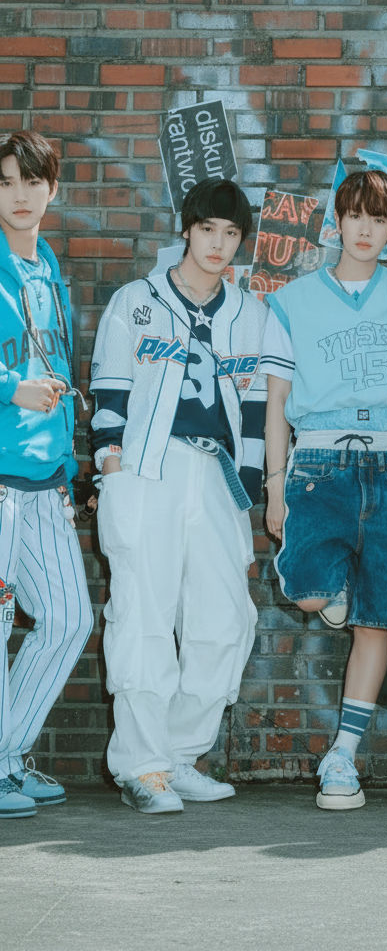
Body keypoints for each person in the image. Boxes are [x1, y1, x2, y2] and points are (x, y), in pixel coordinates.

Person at [262, 168, 387, 810]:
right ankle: (339, 588)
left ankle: (342, 757)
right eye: (356, 216)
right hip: (319, 463)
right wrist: (273, 484)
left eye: (380, 220)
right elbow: (276, 403)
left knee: (376, 622)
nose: (366, 229)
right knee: (308, 593)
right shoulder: (292, 300)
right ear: (338, 222)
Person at [91, 178, 267, 814]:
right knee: (143, 614)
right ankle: (142, 766)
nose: (218, 243)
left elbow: (255, 409)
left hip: (215, 476)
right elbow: (109, 396)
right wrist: (112, 468)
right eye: (208, 229)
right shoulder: (136, 301)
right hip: (147, 471)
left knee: (226, 621)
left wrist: (248, 492)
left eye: (231, 233)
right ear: (187, 229)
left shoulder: (250, 313)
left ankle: (180, 754)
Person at [0, 129, 93, 819]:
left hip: (43, 481)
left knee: (67, 619)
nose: (20, 195)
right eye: (6, 182)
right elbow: (24, 379)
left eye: (32, 181)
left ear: (52, 189)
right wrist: (12, 390)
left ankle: (7, 756)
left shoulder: (48, 267)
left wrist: (67, 466)